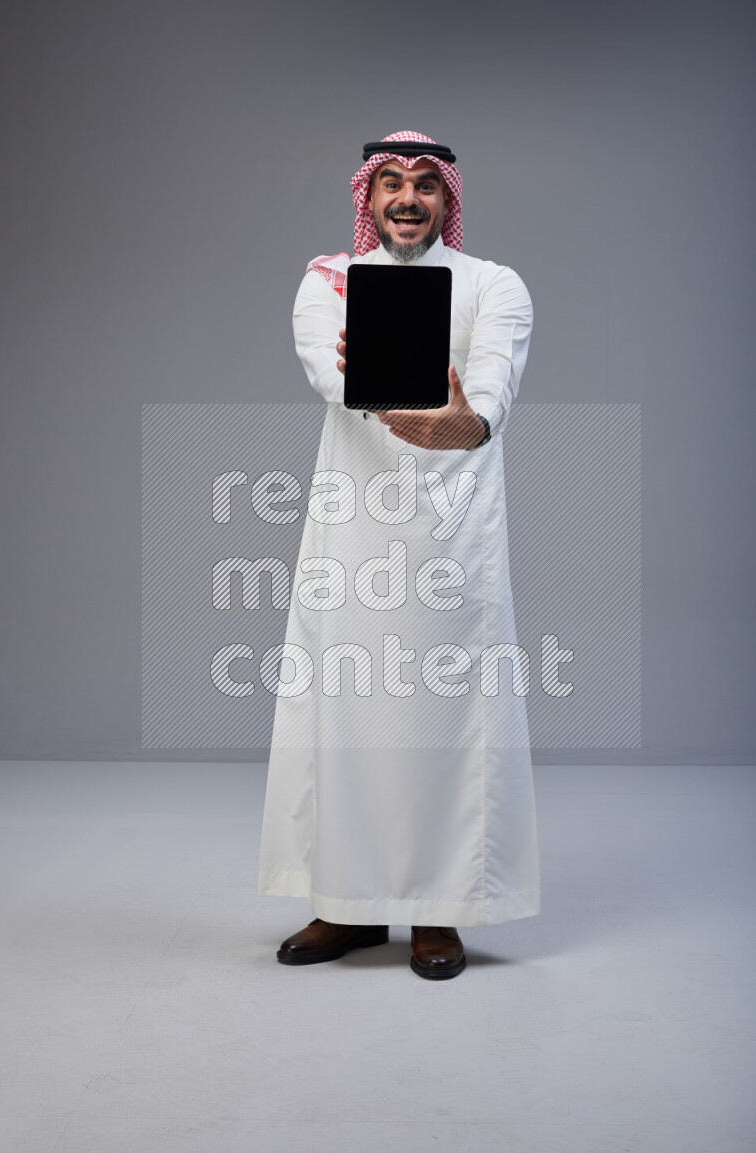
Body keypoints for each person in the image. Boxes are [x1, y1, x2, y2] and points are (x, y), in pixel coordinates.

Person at [257, 130, 539, 979]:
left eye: (426, 185)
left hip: (452, 531)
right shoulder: (327, 282)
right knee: (346, 713)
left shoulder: (495, 284)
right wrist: (397, 405)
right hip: (354, 527)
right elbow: (332, 371)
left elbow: (490, 385)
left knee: (442, 715)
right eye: (391, 184)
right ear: (367, 198)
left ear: (449, 201)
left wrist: (469, 423)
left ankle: (436, 912)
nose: (409, 198)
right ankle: (345, 906)